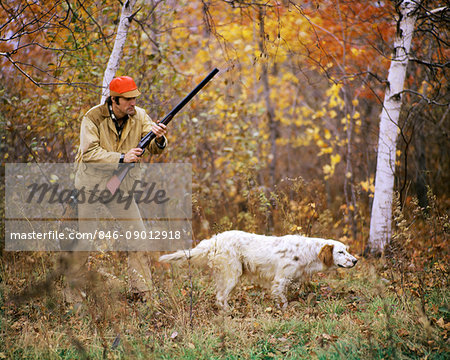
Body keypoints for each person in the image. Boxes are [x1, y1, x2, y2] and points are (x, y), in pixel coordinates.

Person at [64, 76, 167, 303]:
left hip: (119, 187)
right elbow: (89, 154)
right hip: (91, 186)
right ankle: (73, 296)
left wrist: (159, 138)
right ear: (114, 100)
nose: (133, 103)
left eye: (135, 98)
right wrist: (122, 157)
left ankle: (143, 294)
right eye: (128, 99)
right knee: (85, 239)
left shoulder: (139, 116)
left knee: (138, 235)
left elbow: (154, 147)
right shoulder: (92, 118)